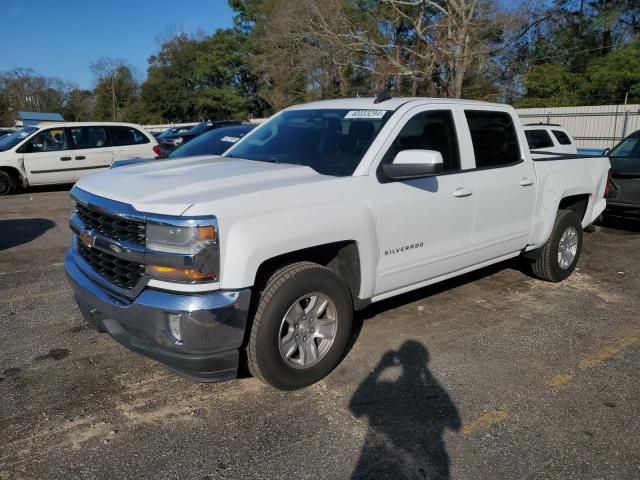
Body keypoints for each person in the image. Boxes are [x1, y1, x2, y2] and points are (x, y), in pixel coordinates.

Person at [350, 340, 461, 479]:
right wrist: (427, 373)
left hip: (384, 460)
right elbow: (455, 423)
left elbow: (354, 407)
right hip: (422, 458)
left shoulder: (384, 387)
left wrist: (380, 367)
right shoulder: (392, 387)